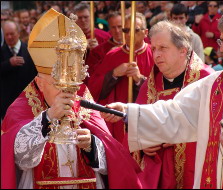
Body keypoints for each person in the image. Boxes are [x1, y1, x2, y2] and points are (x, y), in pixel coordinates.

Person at [102, 2, 223, 189]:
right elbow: (176, 112)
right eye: (222, 40)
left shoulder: (204, 77)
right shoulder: (213, 84)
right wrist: (127, 112)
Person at [1, 8, 144, 189]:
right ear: (40, 83)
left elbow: (112, 159)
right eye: (57, 84)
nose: (66, 92)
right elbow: (19, 159)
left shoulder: (82, 98)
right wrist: (48, 117)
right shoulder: (22, 107)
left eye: (72, 83)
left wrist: (92, 145)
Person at [128, 20, 214, 189]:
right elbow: (135, 127)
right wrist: (144, 143)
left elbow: (214, 127)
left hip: (194, 169)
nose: (156, 54)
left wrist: (176, 133)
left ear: (183, 50)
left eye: (163, 48)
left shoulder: (207, 80)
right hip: (158, 174)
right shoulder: (150, 84)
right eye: (153, 49)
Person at [88, 12, 155, 143]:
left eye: (135, 30)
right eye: (126, 30)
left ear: (145, 32)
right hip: (117, 122)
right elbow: (94, 86)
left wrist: (139, 79)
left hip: (145, 121)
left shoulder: (154, 54)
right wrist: (114, 73)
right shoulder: (113, 55)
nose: (129, 34)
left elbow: (161, 89)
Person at [0, 20, 37, 121]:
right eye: (7, 34)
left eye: (12, 34)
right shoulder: (1, 52)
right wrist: (8, 64)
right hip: (7, 104)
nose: (9, 37)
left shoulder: (29, 50)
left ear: (18, 33)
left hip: (27, 102)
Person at [86, 12, 123, 79]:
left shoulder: (134, 46)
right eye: (113, 27)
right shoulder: (97, 51)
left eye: (119, 27)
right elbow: (93, 75)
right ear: (109, 28)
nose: (117, 31)